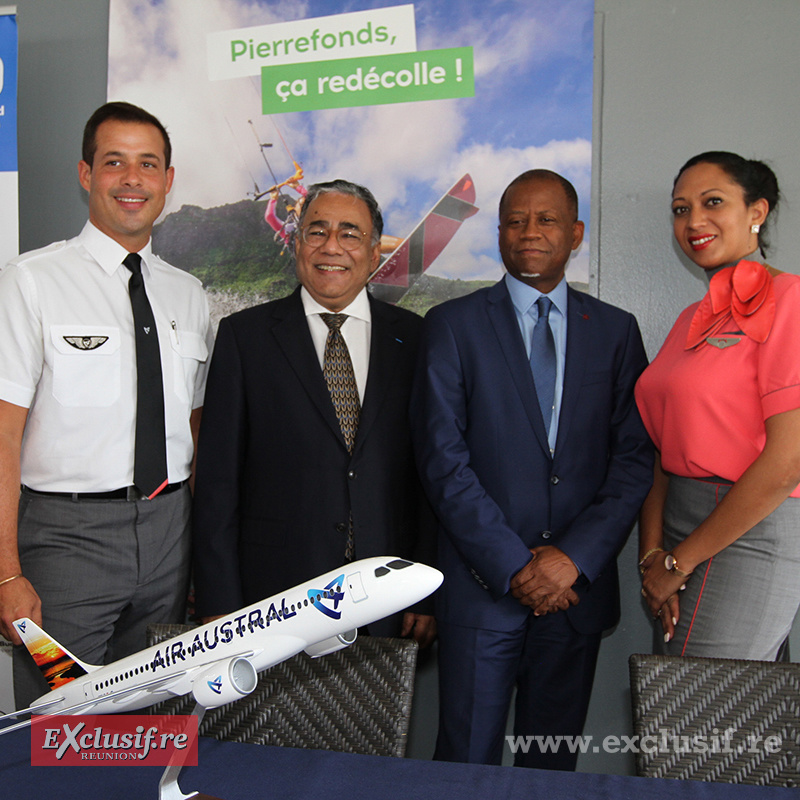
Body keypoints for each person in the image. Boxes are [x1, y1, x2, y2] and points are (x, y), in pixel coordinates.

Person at [410, 169, 652, 770]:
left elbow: (633, 459)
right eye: (514, 221)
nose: (529, 232)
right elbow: (443, 460)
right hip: (482, 590)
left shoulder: (616, 332)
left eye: (546, 220)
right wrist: (515, 565)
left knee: (553, 767)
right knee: (465, 764)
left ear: (576, 232)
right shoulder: (452, 325)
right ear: (498, 233)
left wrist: (573, 560)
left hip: (575, 596)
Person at [0, 102, 212, 708]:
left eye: (148, 164)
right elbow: (3, 439)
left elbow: (191, 430)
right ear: (85, 173)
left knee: (152, 721)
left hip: (170, 532)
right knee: (61, 726)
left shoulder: (189, 294)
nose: (132, 178)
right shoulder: (30, 282)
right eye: (114, 161)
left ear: (168, 181)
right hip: (65, 541)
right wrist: (7, 575)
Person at [192, 179, 435, 644]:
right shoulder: (245, 338)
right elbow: (218, 483)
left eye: (350, 233)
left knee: (372, 718)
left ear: (373, 249)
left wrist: (424, 593)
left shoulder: (415, 338)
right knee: (270, 721)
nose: (332, 247)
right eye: (317, 231)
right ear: (297, 242)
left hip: (386, 592)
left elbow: (428, 475)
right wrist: (219, 604)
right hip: (271, 599)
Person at [636, 152, 800, 660]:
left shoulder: (791, 301)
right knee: (680, 708)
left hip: (751, 528)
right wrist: (652, 554)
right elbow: (664, 450)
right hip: (679, 530)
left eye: (713, 203)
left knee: (697, 721)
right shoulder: (691, 317)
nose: (693, 221)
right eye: (680, 209)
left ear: (757, 211)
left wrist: (678, 565)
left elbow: (787, 462)